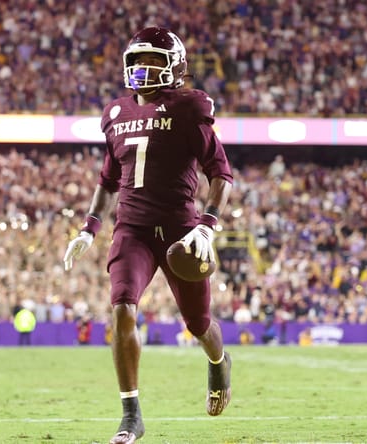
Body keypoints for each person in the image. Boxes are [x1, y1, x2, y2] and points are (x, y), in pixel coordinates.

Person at [62, 27, 234, 444]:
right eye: (138, 61)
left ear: (175, 66)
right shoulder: (115, 113)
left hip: (180, 228)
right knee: (122, 308)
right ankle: (131, 415)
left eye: (155, 61)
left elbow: (221, 173)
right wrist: (89, 228)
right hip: (133, 228)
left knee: (198, 323)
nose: (144, 68)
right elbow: (108, 181)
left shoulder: (189, 106)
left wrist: (207, 226)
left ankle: (219, 361)